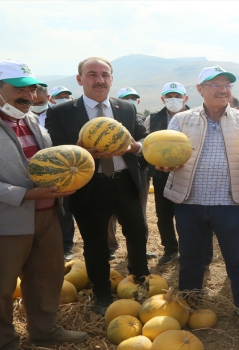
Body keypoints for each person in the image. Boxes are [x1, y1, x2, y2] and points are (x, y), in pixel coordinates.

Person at [0, 59, 87, 348]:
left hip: (46, 215)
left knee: (47, 279)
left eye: (33, 89)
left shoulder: (28, 117)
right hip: (1, 219)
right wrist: (24, 194)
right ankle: (5, 341)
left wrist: (78, 157)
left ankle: (44, 332)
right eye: (20, 89)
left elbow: (48, 160)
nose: (29, 96)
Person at [161, 66, 239, 339]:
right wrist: (164, 163)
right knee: (191, 260)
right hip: (189, 202)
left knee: (237, 262)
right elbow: (166, 153)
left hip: (230, 204)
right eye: (215, 84)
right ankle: (188, 309)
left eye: (227, 85)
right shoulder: (182, 120)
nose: (223, 89)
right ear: (199, 90)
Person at [45, 57, 151, 315]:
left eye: (105, 74)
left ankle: (140, 282)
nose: (99, 79)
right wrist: (80, 151)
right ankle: (102, 294)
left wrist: (133, 147)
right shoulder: (61, 112)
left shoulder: (126, 107)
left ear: (112, 79)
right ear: (80, 79)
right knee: (95, 244)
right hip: (89, 187)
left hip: (125, 183)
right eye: (92, 74)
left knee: (138, 234)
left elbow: (143, 139)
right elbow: (55, 150)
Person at [143, 82, 213, 266]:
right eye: (169, 96)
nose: (173, 100)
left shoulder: (199, 117)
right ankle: (170, 249)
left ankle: (190, 250)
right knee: (163, 214)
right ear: (162, 99)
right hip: (161, 173)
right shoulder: (152, 119)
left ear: (186, 98)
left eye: (177, 96)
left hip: (189, 172)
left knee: (192, 214)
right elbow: (146, 145)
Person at [112, 87, 155, 261]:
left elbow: (146, 139)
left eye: (133, 98)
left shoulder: (138, 118)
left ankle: (139, 251)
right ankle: (110, 247)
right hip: (104, 172)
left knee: (138, 213)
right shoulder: (108, 118)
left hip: (135, 172)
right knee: (108, 216)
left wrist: (136, 146)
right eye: (126, 97)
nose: (130, 100)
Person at [48, 87, 77, 261]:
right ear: (51, 99)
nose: (64, 99)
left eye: (67, 96)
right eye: (60, 97)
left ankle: (66, 246)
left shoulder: (67, 115)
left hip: (66, 168)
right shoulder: (31, 116)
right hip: (47, 168)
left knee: (64, 211)